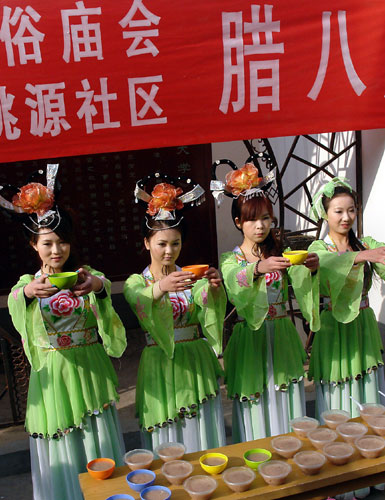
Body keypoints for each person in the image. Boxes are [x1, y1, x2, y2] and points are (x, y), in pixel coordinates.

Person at [3, 166, 127, 500]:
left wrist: (98, 287)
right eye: (48, 244)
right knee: (62, 446)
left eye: (62, 243)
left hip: (90, 370)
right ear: (33, 244)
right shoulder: (25, 287)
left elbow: (104, 295)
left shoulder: (86, 277)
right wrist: (29, 294)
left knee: (96, 440)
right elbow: (17, 302)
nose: (56, 251)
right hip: (53, 377)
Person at [212, 161, 320, 441]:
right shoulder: (230, 259)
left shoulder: (279, 250)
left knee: (286, 400)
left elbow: (299, 281)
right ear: (238, 222)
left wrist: (310, 269)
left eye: (265, 218)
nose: (259, 225)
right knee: (256, 402)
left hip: (282, 332)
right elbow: (234, 280)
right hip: (251, 338)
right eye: (251, 219)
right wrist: (258, 268)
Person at [124, 173, 226, 452]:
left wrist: (215, 288)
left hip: (195, 356)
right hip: (160, 360)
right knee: (167, 428)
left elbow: (208, 310)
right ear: (147, 243)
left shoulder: (191, 276)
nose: (169, 251)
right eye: (161, 244)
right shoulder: (138, 282)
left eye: (176, 243)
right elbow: (137, 301)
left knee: (201, 427)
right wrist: (161, 287)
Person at [308, 177, 385, 418]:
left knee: (367, 384)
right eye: (338, 211)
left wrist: (373, 256)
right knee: (337, 385)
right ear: (325, 214)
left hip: (363, 323)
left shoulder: (365, 244)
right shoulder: (318, 249)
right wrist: (362, 257)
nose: (346, 217)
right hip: (333, 326)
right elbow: (326, 264)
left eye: (351, 210)